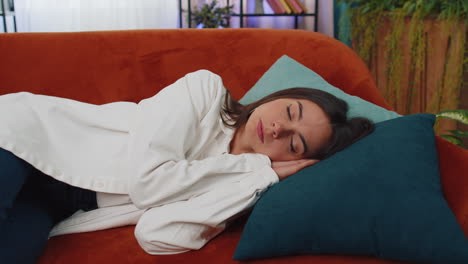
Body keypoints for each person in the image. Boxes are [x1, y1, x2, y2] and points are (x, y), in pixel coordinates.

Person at [0, 70, 374, 263]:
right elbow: (147, 183)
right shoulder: (205, 91)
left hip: (55, 207)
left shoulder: (245, 183)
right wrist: (252, 169)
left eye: (293, 142)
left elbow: (157, 235)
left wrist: (255, 174)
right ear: (282, 96)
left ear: (296, 162)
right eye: (290, 111)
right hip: (29, 140)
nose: (277, 127)